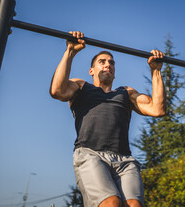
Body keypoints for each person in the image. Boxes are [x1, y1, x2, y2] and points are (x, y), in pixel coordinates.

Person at [50, 31, 166, 207]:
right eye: (101, 62)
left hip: (125, 160)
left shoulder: (125, 92)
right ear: (91, 70)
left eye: (111, 63)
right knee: (111, 203)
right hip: (90, 154)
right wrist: (70, 52)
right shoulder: (82, 87)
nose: (107, 65)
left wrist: (156, 71)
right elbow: (57, 90)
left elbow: (157, 109)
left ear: (114, 72)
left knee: (134, 205)